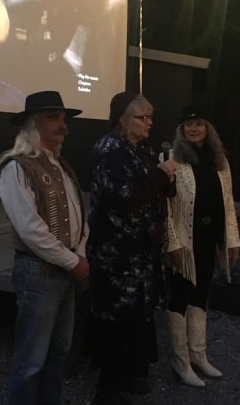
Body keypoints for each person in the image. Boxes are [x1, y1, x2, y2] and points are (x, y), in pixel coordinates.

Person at [0, 90, 89, 405]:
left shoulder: (60, 165)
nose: (63, 125)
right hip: (39, 273)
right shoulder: (16, 166)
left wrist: (80, 253)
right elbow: (30, 229)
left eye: (63, 118)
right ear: (34, 124)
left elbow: (79, 215)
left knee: (59, 351)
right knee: (31, 359)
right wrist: (72, 261)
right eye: (54, 118)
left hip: (65, 269)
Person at [86, 92, 176, 405]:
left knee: (136, 318)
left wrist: (166, 179)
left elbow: (153, 189)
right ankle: (106, 391)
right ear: (123, 119)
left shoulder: (142, 149)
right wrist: (160, 176)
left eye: (151, 117)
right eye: (142, 117)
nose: (149, 122)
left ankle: (127, 373)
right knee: (115, 321)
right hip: (117, 255)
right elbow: (124, 197)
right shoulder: (110, 150)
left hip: (139, 254)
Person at [163, 105, 240, 387]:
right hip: (183, 242)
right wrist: (171, 243)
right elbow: (165, 206)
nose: (193, 129)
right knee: (179, 297)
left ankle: (198, 355)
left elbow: (228, 203)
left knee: (200, 295)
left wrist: (232, 240)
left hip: (209, 239)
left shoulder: (219, 161)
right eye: (188, 125)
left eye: (199, 124)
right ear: (181, 130)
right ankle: (180, 361)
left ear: (208, 128)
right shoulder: (172, 159)